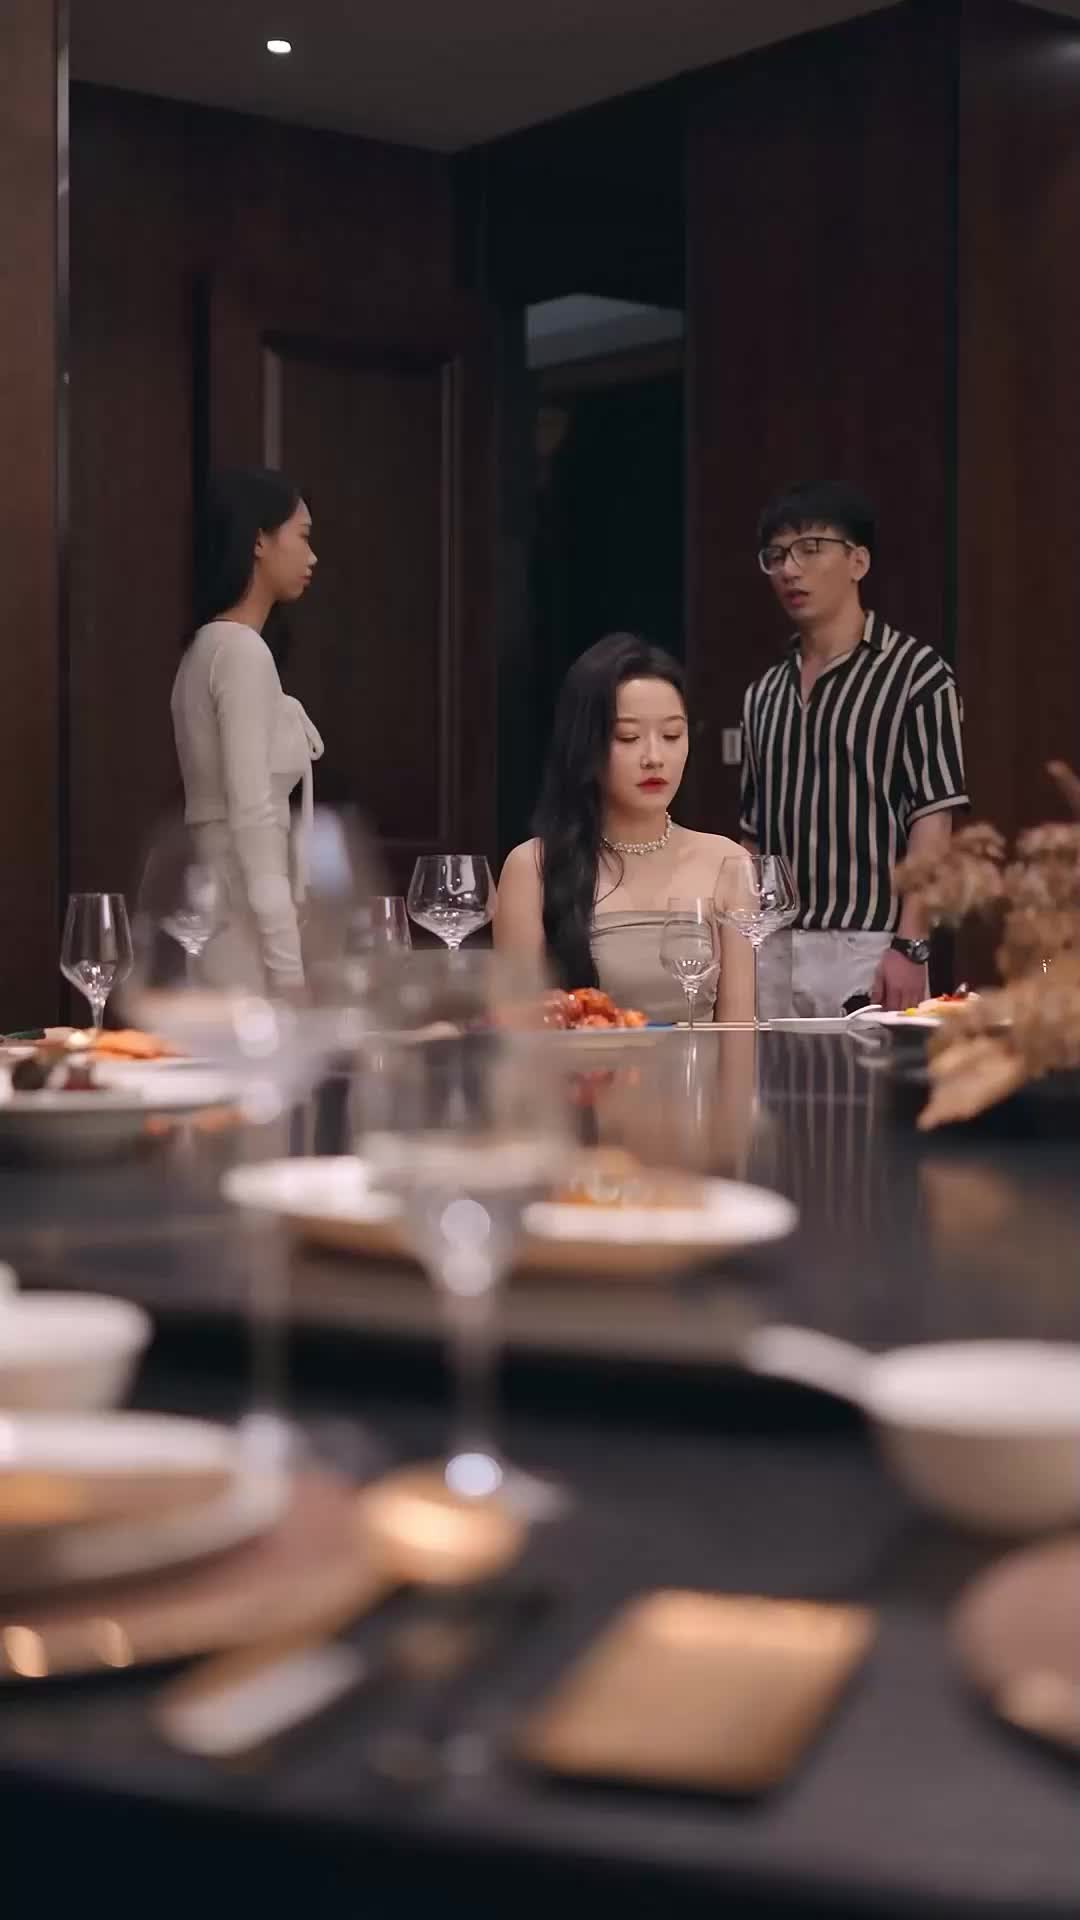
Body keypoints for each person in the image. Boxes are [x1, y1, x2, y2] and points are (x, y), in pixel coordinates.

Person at [740, 481, 967, 1015]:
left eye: (810, 548)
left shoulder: (918, 676)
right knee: (766, 1074)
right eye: (776, 555)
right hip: (770, 946)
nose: (789, 569)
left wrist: (910, 944)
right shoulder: (762, 693)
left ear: (858, 561)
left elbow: (933, 819)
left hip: (868, 942)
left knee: (870, 1074)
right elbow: (751, 838)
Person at [496, 632, 754, 1023]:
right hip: (582, 1064)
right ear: (586, 744)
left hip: (700, 1065)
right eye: (628, 737)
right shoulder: (532, 867)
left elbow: (740, 1029)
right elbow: (518, 1034)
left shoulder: (728, 862)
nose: (654, 757)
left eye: (671, 735)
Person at [171, 467, 323, 991]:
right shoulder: (240, 651)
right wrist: (287, 968)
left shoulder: (205, 647)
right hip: (243, 922)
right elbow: (254, 818)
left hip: (216, 907)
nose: (312, 557)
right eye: (302, 536)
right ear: (259, 541)